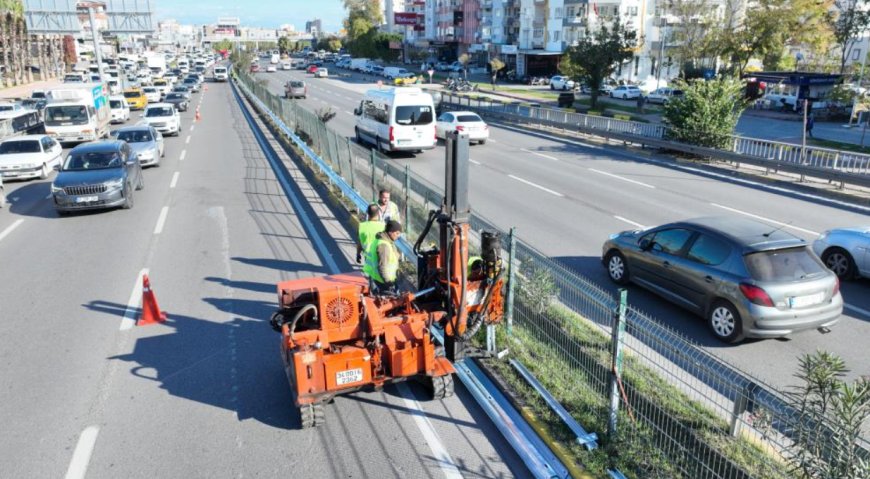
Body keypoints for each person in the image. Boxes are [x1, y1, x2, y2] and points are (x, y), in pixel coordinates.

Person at [367, 220, 402, 294]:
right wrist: (389, 283)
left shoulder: (382, 241)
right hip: (384, 282)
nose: (398, 236)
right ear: (390, 232)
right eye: (397, 233)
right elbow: (382, 266)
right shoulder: (384, 246)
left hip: (378, 280)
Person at [357, 204, 385, 275]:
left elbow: (359, 242)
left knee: (372, 275)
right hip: (381, 255)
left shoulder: (362, 226)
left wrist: (358, 254)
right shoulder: (383, 226)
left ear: (368, 213)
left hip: (368, 256)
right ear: (379, 213)